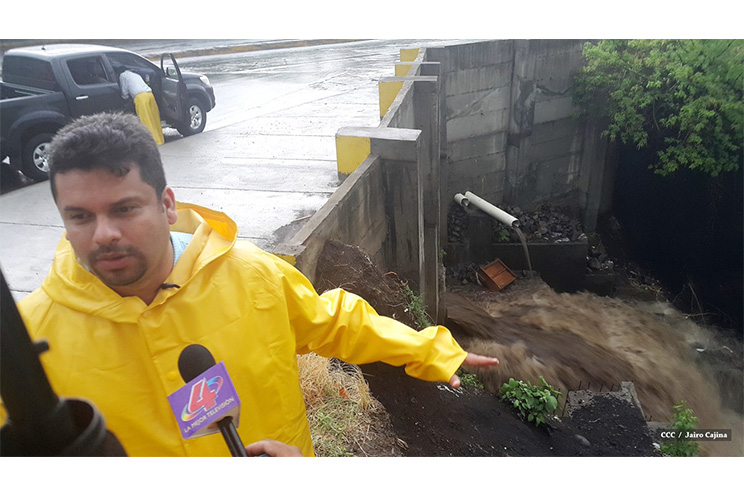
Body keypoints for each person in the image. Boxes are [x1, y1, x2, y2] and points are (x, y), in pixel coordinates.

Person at [2, 113, 499, 457]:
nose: (104, 233)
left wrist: (429, 350)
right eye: (80, 216)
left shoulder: (251, 275)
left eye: (124, 209)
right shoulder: (27, 344)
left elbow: (333, 321)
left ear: (167, 205)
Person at [117, 68, 165, 146]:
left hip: (140, 97)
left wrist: (124, 98)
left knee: (146, 120)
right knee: (154, 118)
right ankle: (160, 139)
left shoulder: (122, 76)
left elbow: (124, 91)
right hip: (150, 94)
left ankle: (153, 142)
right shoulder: (135, 74)